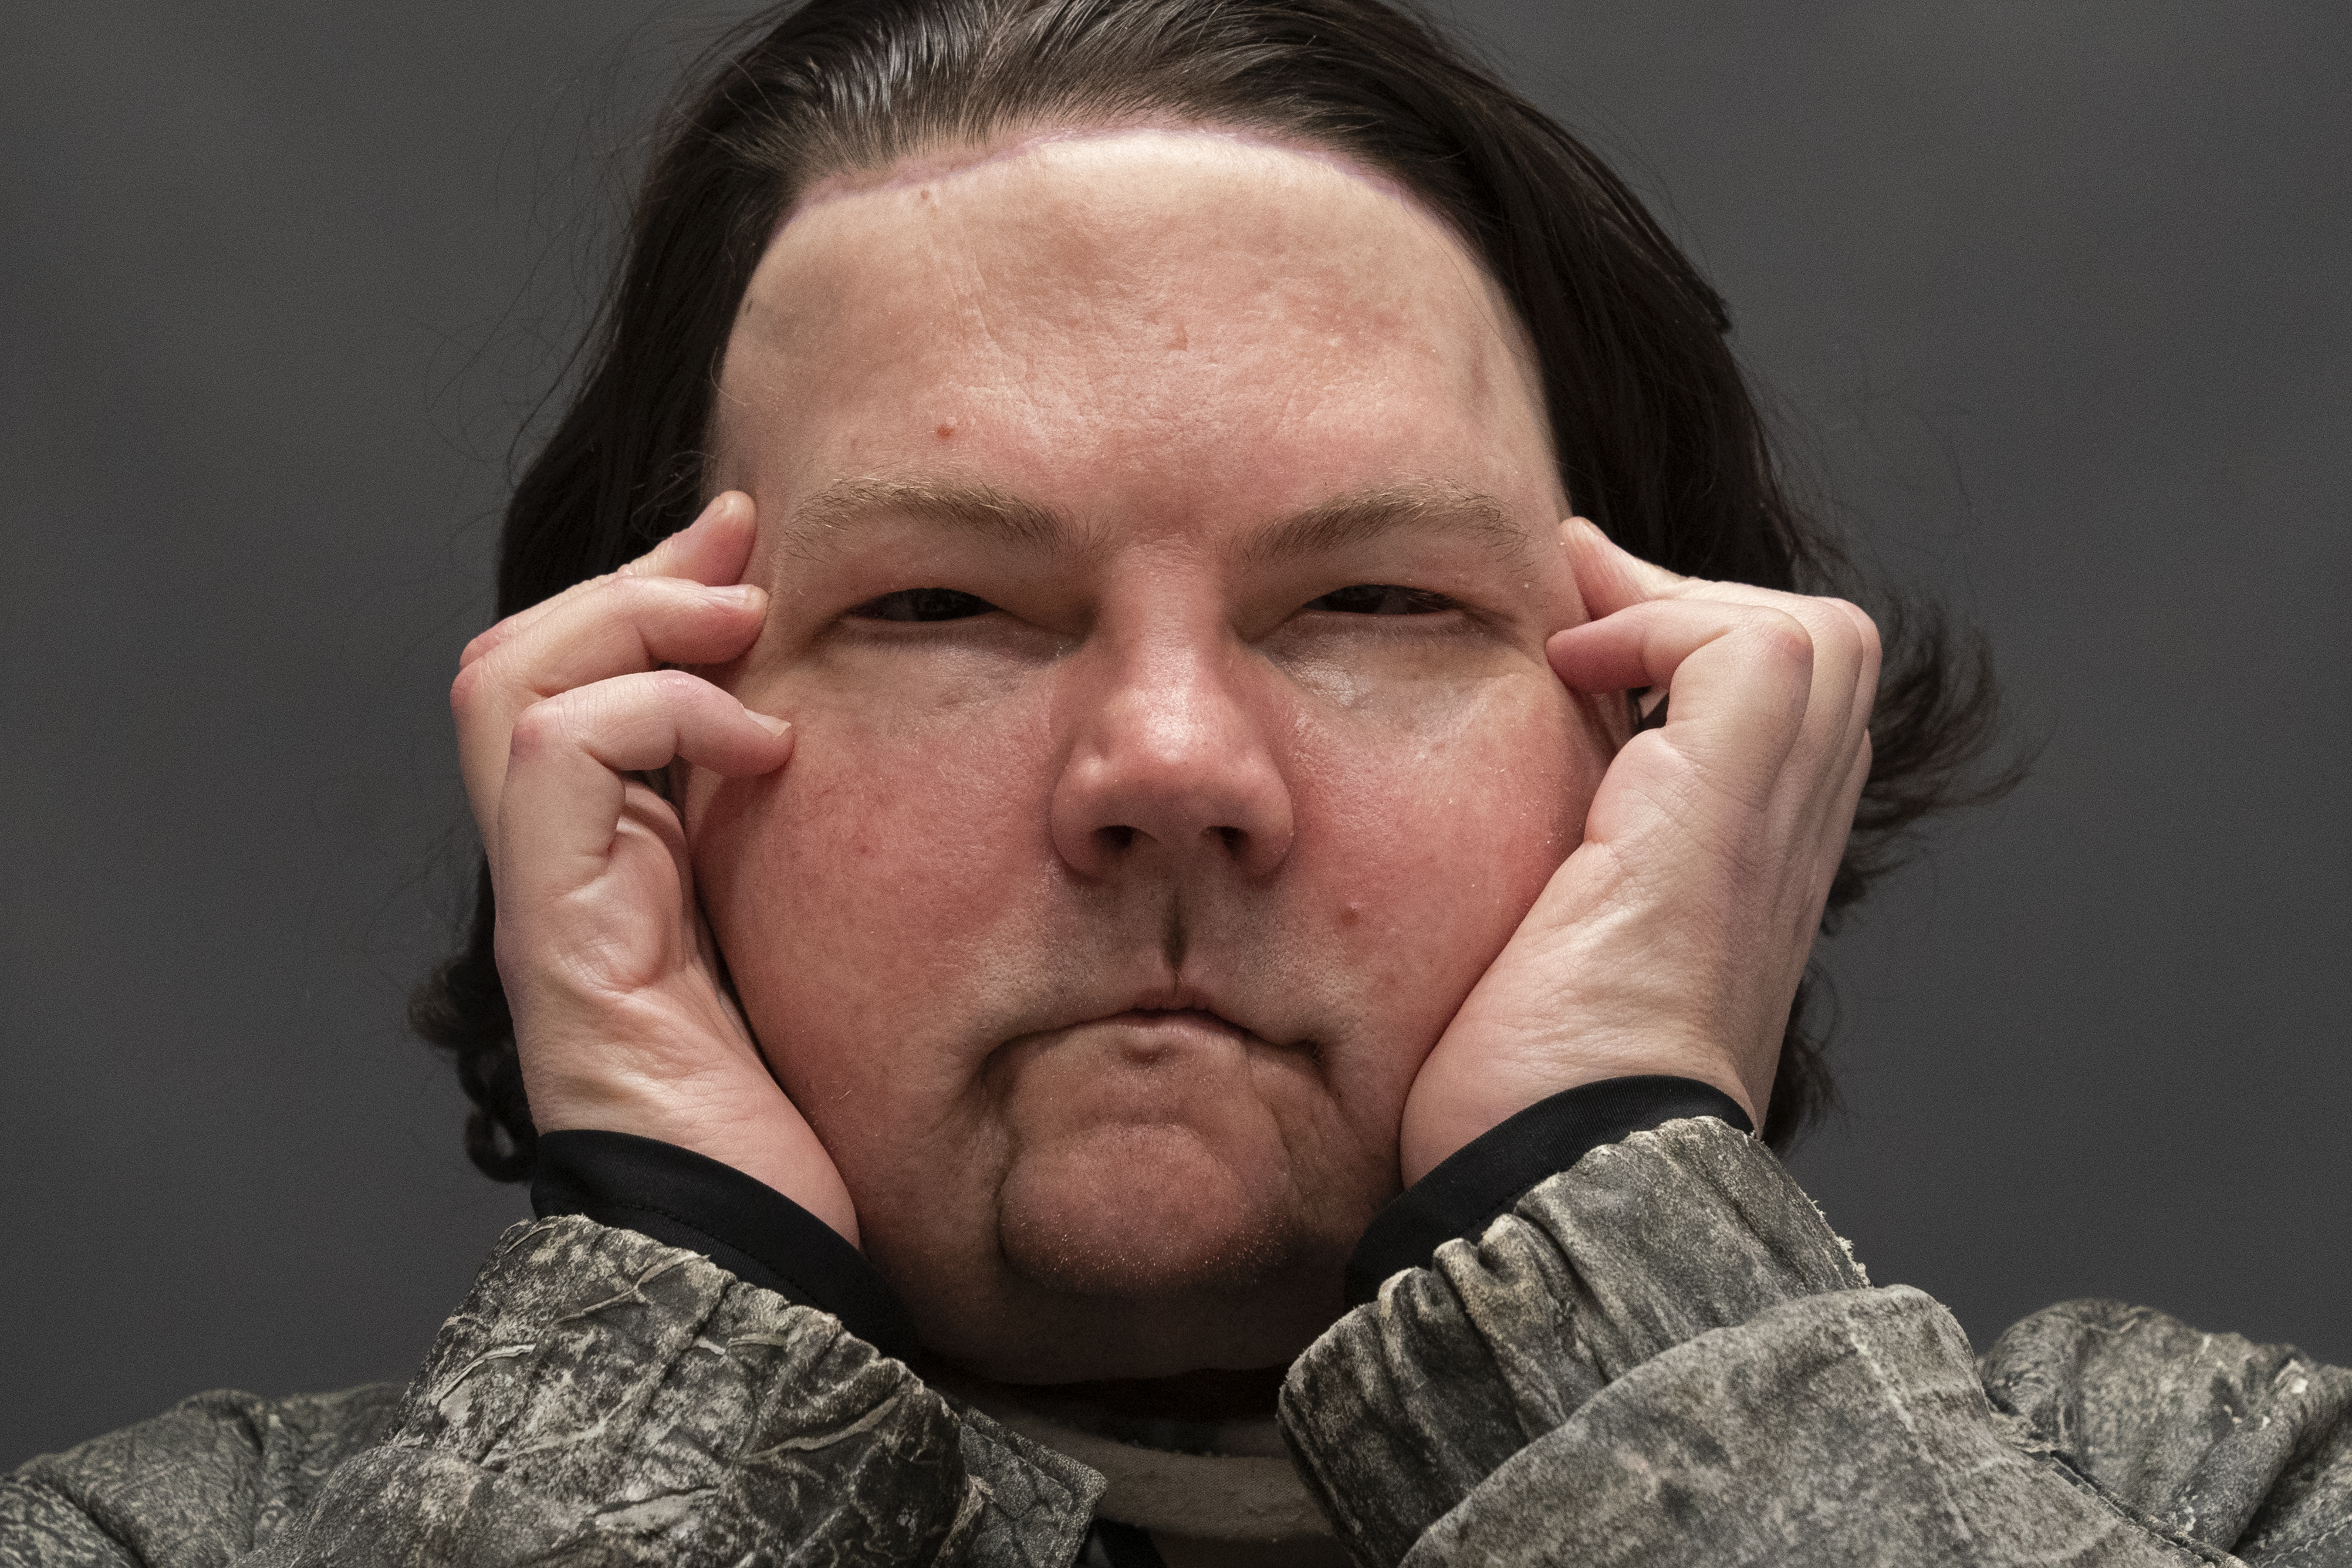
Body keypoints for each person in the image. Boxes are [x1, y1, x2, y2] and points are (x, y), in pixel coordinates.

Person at [5, 0, 2345, 1562]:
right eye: (934, 608)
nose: (1165, 767)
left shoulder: (2223, 1495)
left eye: (1374, 607)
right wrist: (673, 1369)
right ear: (610, 761)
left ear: (1675, 747)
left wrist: (1616, 1285)